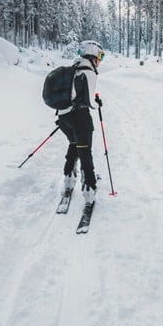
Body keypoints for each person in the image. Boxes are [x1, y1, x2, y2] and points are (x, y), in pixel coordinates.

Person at [57, 39, 105, 205]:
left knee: (74, 145)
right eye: (100, 56)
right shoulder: (89, 71)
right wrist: (97, 102)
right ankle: (89, 189)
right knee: (85, 152)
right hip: (80, 119)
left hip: (63, 118)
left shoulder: (74, 67)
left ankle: (68, 179)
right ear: (92, 54)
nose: (100, 61)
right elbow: (90, 102)